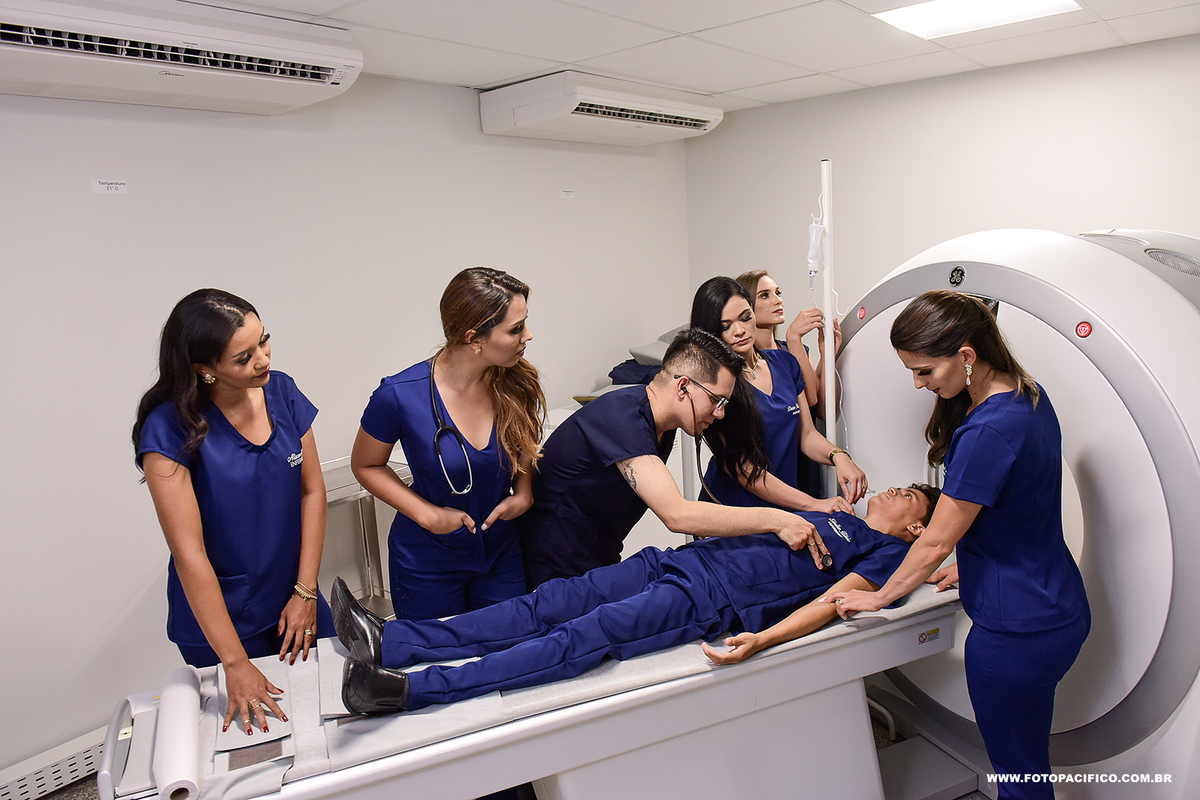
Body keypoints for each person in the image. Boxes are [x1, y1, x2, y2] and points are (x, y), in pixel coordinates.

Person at [333, 484, 940, 714]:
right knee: (548, 602)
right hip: (679, 560)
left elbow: (835, 602)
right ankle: (392, 638)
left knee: (577, 637)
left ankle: (406, 690)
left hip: (706, 600)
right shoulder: (836, 513)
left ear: (917, 526)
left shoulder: (886, 554)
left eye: (911, 494)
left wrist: (764, 639)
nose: (895, 488)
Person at [824, 290, 1089, 800]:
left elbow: (934, 542)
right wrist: (973, 563)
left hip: (1014, 633)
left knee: (1019, 778)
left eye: (924, 371)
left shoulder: (986, 431)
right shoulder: (1030, 396)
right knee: (1028, 765)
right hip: (1059, 607)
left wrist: (880, 597)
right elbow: (1021, 505)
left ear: (967, 355)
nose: (918, 383)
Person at [133, 289, 331, 736]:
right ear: (204, 369)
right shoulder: (168, 430)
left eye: (264, 341)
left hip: (295, 600)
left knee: (332, 716)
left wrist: (305, 591)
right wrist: (235, 663)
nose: (263, 359)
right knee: (259, 743)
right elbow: (189, 554)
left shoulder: (282, 391)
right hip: (224, 624)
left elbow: (312, 492)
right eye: (244, 358)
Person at [518, 328, 832, 590]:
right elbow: (677, 515)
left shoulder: (662, 428)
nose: (720, 413)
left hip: (595, 561)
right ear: (683, 386)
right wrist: (778, 519)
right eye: (717, 400)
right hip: (549, 569)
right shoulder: (621, 416)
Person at [351, 267, 546, 621]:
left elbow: (523, 443)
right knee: (437, 651)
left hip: (500, 551)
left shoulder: (516, 381)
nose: (528, 336)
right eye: (516, 328)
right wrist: (428, 515)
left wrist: (524, 491)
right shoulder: (398, 395)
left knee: (508, 644)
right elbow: (366, 465)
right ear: (474, 338)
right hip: (428, 557)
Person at [691, 277, 866, 510]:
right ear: (712, 332)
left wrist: (839, 456)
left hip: (784, 504)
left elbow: (807, 434)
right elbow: (745, 470)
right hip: (733, 512)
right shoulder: (716, 385)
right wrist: (813, 504)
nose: (739, 331)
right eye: (726, 326)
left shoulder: (785, 363)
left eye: (745, 317)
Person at [736, 269, 840, 422]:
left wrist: (826, 356)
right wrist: (793, 337)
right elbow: (810, 399)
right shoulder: (747, 363)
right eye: (764, 295)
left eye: (778, 293)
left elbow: (823, 411)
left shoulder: (796, 350)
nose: (778, 300)